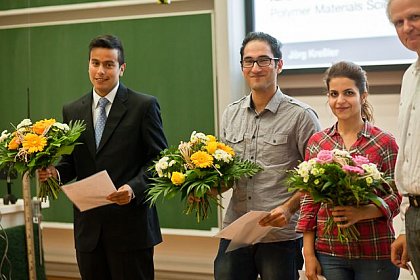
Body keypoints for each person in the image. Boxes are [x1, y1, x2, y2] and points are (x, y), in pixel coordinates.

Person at [38, 34, 167, 279]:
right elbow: (73, 162)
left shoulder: (144, 106)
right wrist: (55, 173)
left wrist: (132, 188)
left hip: (131, 230)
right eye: (95, 63)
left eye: (108, 64)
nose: (100, 71)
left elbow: (160, 161)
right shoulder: (72, 109)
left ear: (122, 68)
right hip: (89, 232)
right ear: (88, 65)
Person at [214, 31, 321, 280]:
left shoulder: (302, 116)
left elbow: (315, 177)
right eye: (248, 61)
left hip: (280, 236)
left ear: (279, 65)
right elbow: (227, 175)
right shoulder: (231, 114)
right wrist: (204, 188)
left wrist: (289, 208)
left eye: (263, 60)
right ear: (242, 67)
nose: (255, 68)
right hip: (236, 231)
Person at [297, 61, 401, 280]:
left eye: (348, 93)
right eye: (333, 94)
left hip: (375, 251)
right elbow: (309, 202)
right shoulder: (318, 143)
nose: (340, 100)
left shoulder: (384, 142)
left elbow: (397, 195)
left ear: (363, 96)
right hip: (329, 252)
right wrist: (308, 254)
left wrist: (364, 213)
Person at [387, 0, 420, 277]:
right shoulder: (410, 76)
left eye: (415, 17)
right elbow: (408, 157)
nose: (407, 27)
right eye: (399, 22)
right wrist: (405, 227)